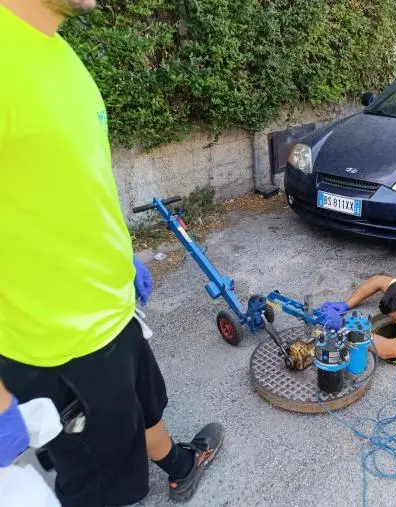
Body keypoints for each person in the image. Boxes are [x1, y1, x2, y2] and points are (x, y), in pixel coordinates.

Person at [0, 1, 223, 506]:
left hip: (113, 312)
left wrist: (121, 258)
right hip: (59, 349)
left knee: (146, 403)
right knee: (100, 488)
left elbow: (71, 187)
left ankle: (179, 463)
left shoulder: (56, 49)